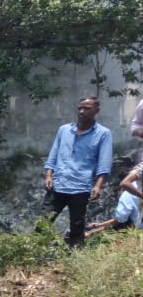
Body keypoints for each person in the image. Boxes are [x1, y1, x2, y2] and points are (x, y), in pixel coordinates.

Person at [44, 96, 111, 247]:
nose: (82, 112)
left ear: (96, 111)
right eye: (80, 108)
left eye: (87, 109)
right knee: (43, 223)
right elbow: (53, 154)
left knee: (77, 227)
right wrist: (48, 175)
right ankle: (33, 258)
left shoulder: (103, 134)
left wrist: (98, 186)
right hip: (57, 185)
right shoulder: (64, 130)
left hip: (80, 188)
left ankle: (75, 260)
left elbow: (104, 163)